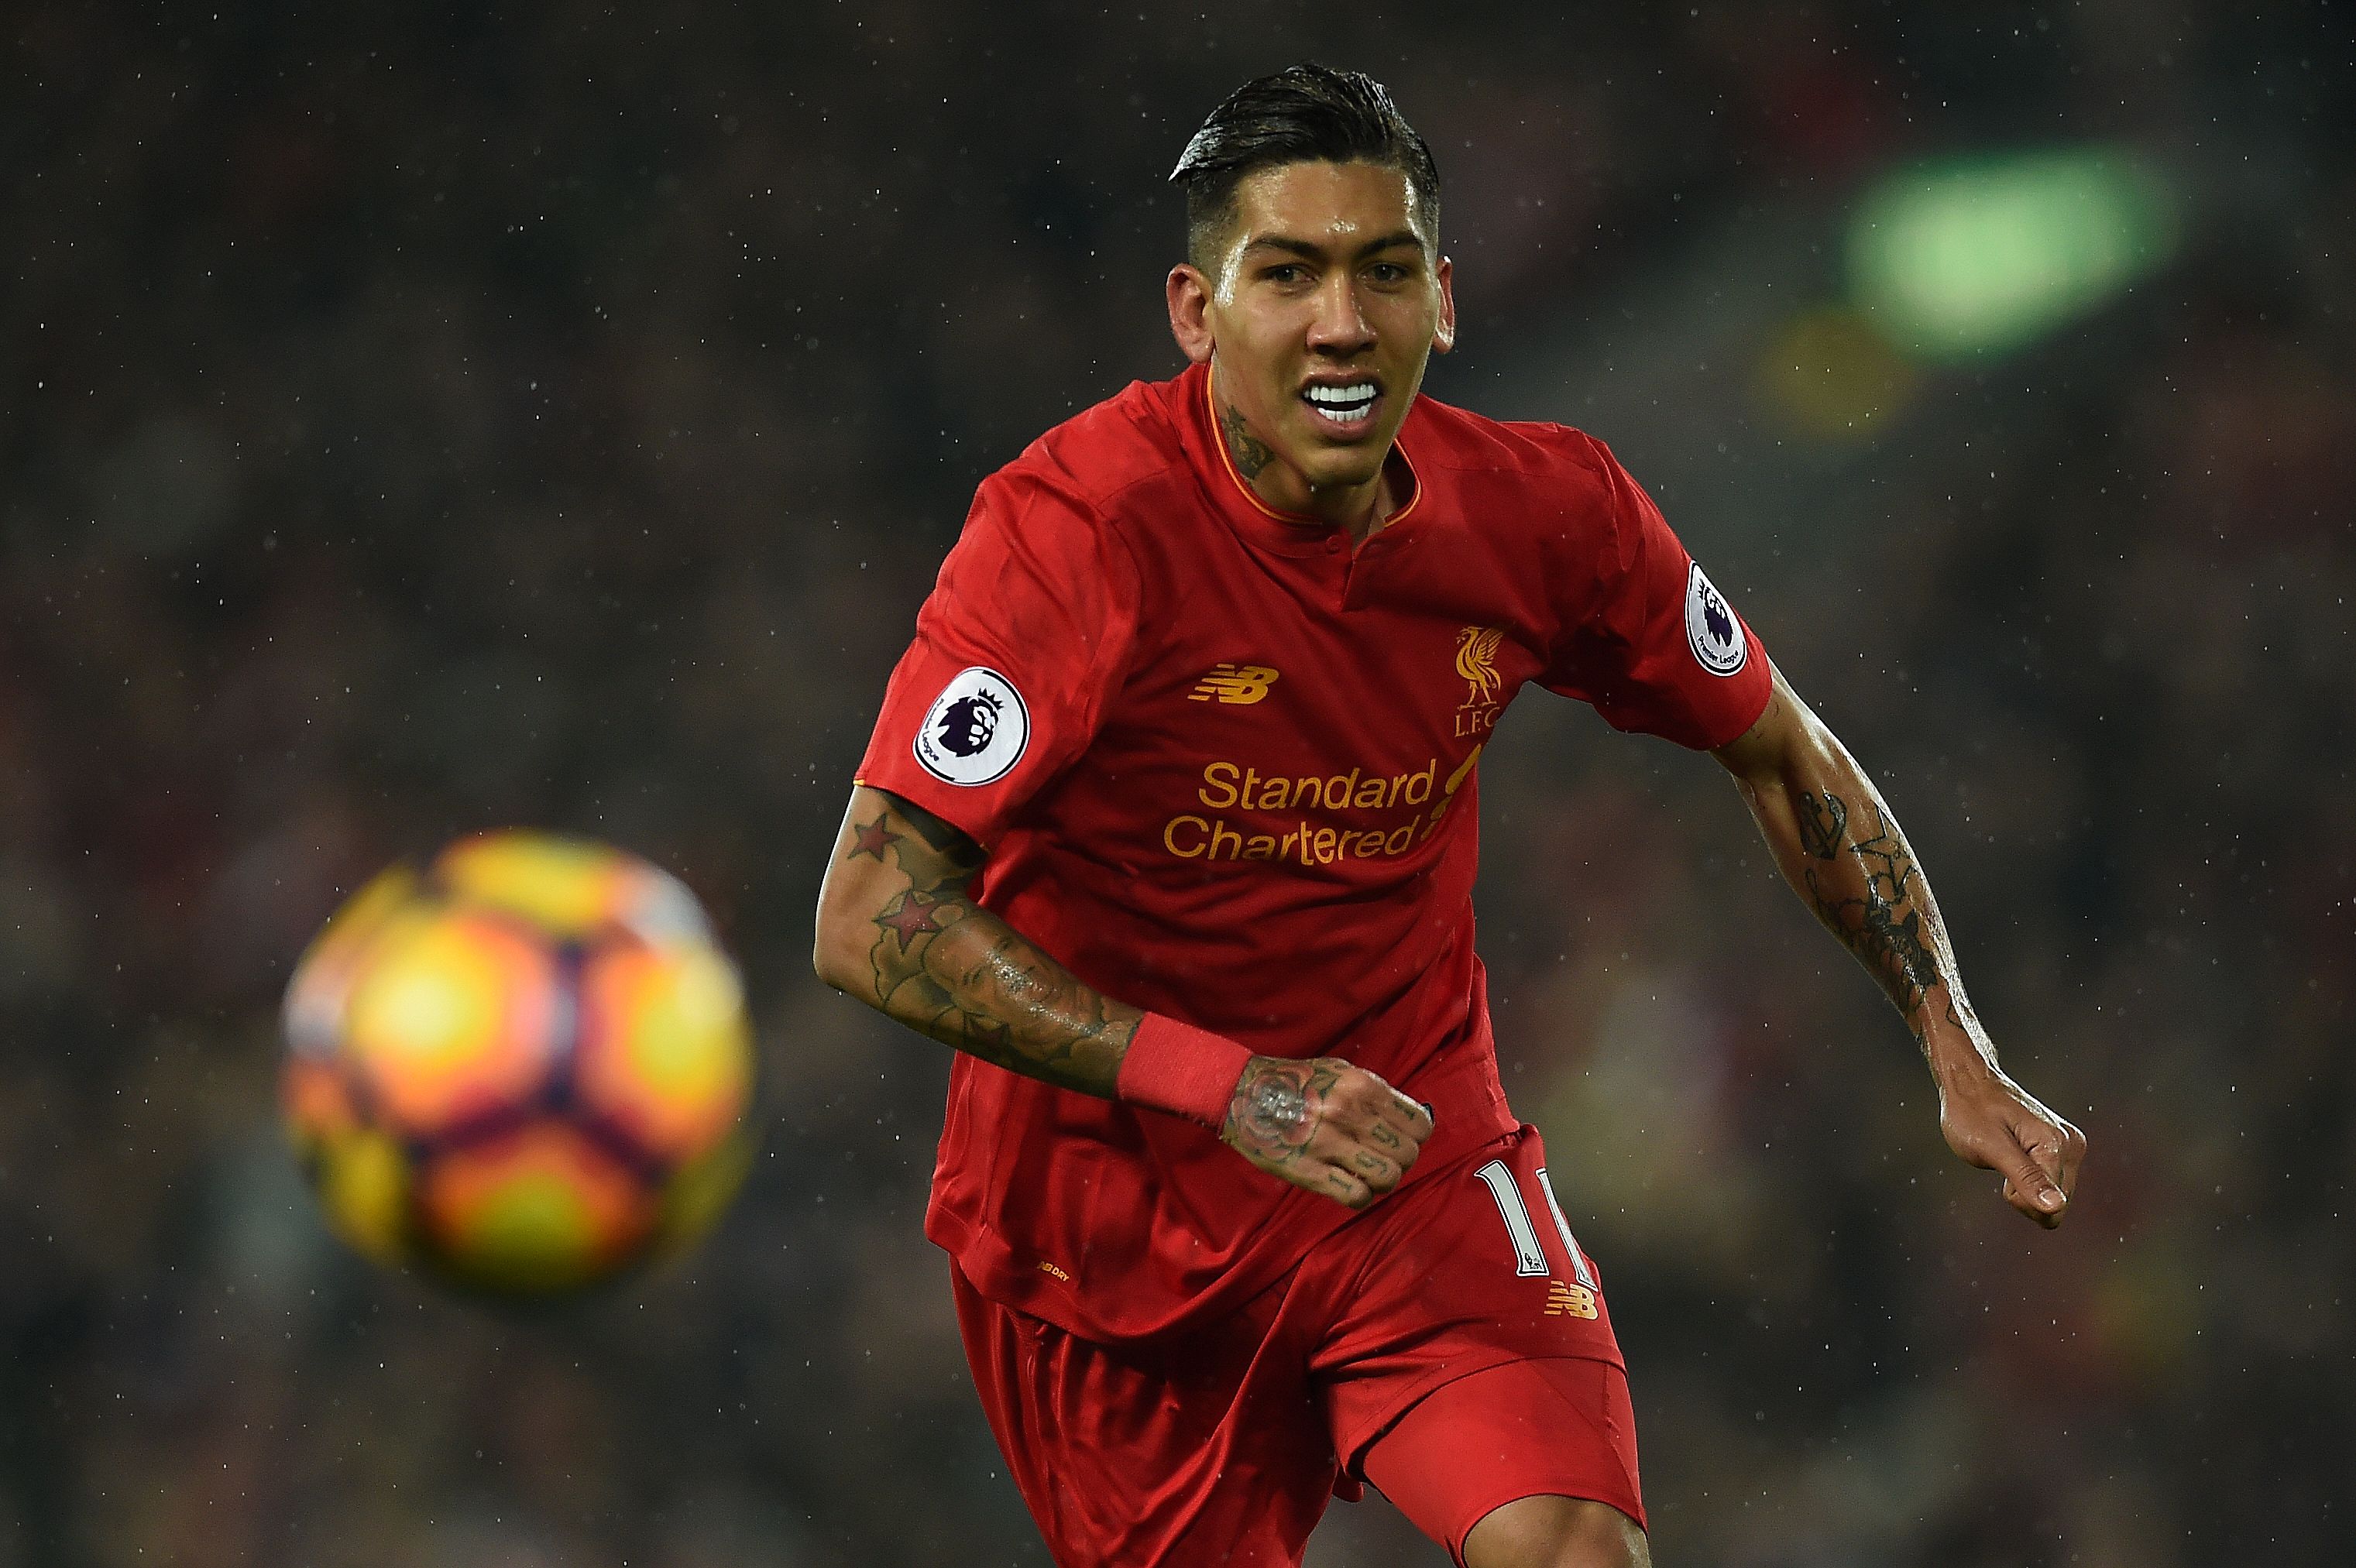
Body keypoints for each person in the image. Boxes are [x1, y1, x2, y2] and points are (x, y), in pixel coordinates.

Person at [811, 63, 2085, 1568]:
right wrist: (1228, 1085)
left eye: (1385, 270)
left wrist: (1953, 1036)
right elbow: (869, 912)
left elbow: (1788, 753)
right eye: (1286, 274)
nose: (1343, 322)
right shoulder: (1077, 533)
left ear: (1446, 300)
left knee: (1570, 1546)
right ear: (1195, 312)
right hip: (1107, 1233)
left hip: (1411, 1160)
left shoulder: (1552, 516)